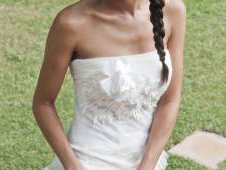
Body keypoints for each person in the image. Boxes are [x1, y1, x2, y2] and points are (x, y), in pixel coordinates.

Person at [32, 0, 186, 169]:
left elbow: (170, 100)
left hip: (146, 162)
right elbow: (43, 103)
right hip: (86, 161)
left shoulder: (172, 10)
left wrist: (148, 163)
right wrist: (72, 166)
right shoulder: (71, 23)